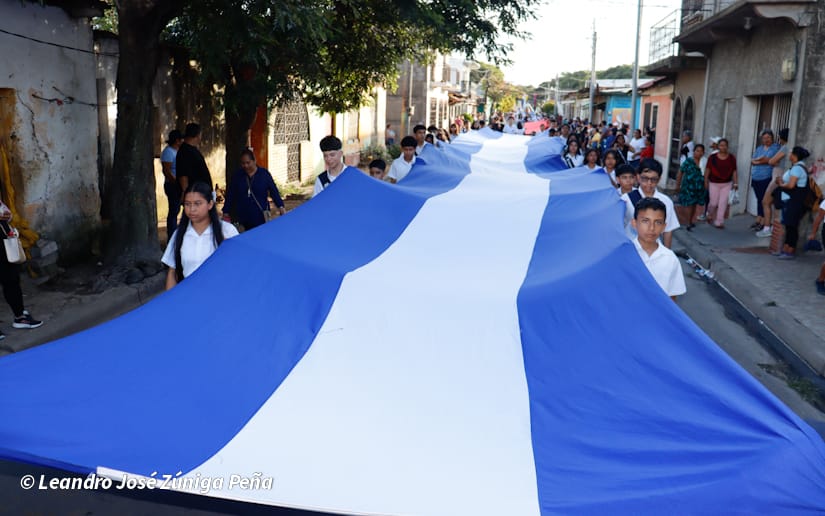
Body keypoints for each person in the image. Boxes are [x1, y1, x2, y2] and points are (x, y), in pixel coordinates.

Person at [162, 182, 239, 290]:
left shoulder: (227, 231)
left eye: (197, 204)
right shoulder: (179, 234)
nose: (192, 209)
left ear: (210, 204)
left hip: (220, 293)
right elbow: (172, 272)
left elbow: (238, 267)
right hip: (189, 295)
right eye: (187, 204)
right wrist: (171, 299)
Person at [0, 201, 42, 338]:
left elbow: (3, 210)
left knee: (11, 278)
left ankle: (20, 317)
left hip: (4, 241)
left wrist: (7, 215)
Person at [631, 197, 686, 301]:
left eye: (658, 222)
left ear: (664, 227)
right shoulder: (624, 255)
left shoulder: (670, 259)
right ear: (634, 223)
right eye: (645, 221)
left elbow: (672, 298)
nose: (651, 228)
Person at [221, 149, 286, 231]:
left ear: (254, 161)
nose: (246, 166)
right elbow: (230, 194)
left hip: (260, 217)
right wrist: (226, 211)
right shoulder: (238, 176)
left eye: (248, 163)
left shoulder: (264, 174)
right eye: (243, 163)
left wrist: (280, 206)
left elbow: (274, 191)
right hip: (242, 218)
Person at [622, 158, 679, 248]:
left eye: (653, 179)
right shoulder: (626, 199)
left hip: (654, 249)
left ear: (659, 179)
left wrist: (666, 252)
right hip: (631, 248)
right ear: (638, 177)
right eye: (645, 178)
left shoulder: (666, 201)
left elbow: (668, 230)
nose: (649, 183)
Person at [773, 146, 811, 259]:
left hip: (794, 201)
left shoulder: (797, 169)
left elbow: (791, 185)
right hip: (793, 200)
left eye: (791, 153)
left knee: (791, 226)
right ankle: (785, 249)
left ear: (794, 156)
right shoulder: (798, 167)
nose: (789, 155)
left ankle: (790, 250)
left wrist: (780, 184)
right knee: (789, 225)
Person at [757, 128, 790, 238]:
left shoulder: (785, 147)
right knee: (776, 204)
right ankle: (771, 228)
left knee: (765, 202)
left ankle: (767, 228)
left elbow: (771, 161)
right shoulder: (790, 147)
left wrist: (770, 161)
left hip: (778, 176)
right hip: (782, 176)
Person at [749, 129, 780, 231]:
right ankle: (759, 218)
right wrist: (761, 160)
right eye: (764, 138)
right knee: (759, 199)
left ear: (772, 138)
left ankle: (764, 221)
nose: (766, 140)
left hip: (766, 177)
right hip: (755, 177)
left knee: (764, 200)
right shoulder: (759, 148)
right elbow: (753, 160)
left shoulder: (775, 148)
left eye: (768, 137)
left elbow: (770, 160)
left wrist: (759, 161)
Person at [704, 138, 737, 229]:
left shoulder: (732, 158)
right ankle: (709, 214)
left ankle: (719, 221)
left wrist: (735, 183)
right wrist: (705, 181)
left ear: (727, 146)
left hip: (727, 184)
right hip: (714, 183)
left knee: (723, 203)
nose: (723, 147)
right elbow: (707, 170)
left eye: (725, 145)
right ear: (718, 146)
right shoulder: (712, 158)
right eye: (721, 145)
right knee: (713, 203)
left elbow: (734, 171)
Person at [676, 144, 706, 231]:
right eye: (697, 151)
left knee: (694, 204)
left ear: (703, 152)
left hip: (699, 187)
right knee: (689, 204)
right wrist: (678, 185)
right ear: (694, 152)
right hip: (688, 186)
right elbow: (680, 172)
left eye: (701, 151)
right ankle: (688, 222)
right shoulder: (689, 161)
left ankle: (691, 220)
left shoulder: (704, 161)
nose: (699, 153)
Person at [175, 123, 213, 194]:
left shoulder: (192, 150)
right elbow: (183, 175)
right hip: (194, 194)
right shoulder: (185, 151)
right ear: (198, 135)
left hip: (202, 192)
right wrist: (186, 193)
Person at [161, 129, 183, 236]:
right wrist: (176, 182)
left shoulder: (178, 151)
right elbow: (167, 171)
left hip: (180, 184)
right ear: (177, 140)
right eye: (181, 139)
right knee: (174, 210)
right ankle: (172, 235)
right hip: (172, 185)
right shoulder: (168, 152)